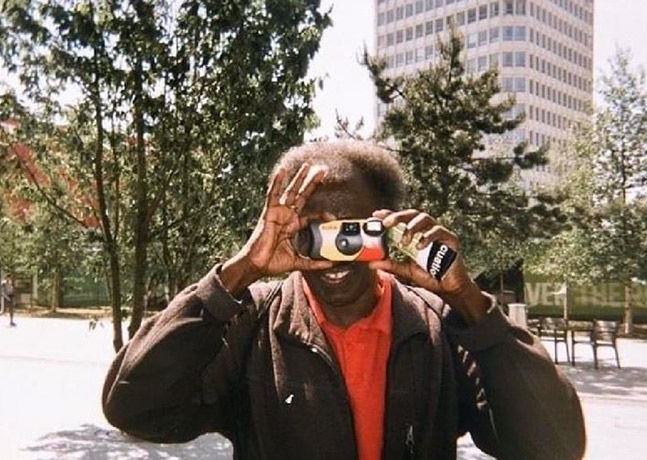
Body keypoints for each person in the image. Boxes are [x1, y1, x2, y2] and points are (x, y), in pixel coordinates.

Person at [101, 141, 585, 460]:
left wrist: (467, 300)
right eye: (309, 230)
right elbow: (133, 407)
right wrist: (240, 270)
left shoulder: (437, 325)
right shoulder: (251, 324)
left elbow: (554, 444)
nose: (332, 249)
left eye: (350, 230)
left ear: (387, 227)